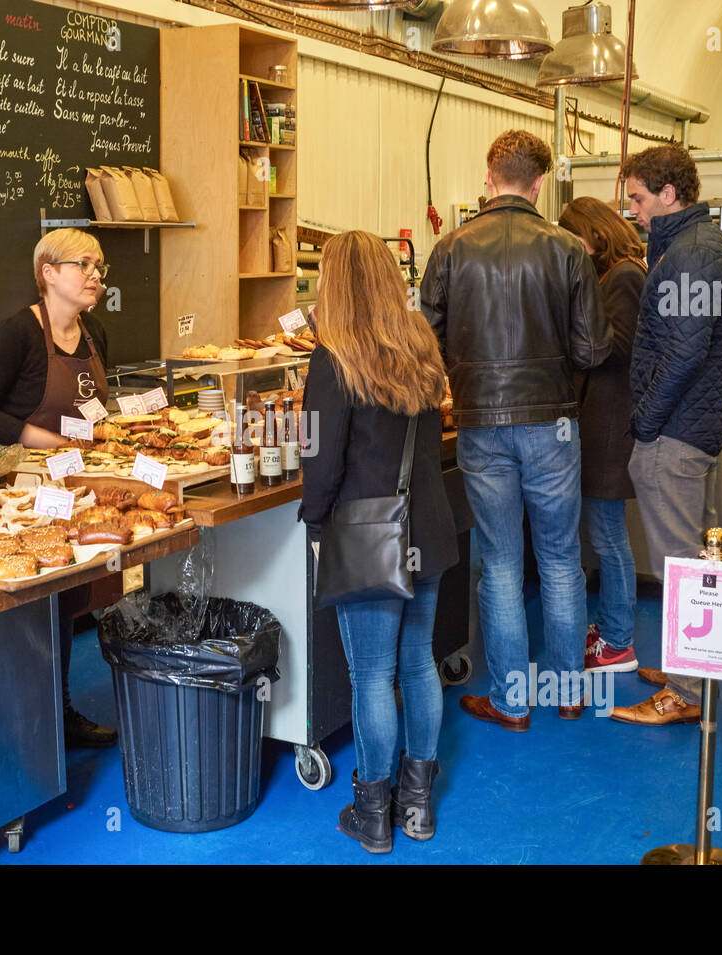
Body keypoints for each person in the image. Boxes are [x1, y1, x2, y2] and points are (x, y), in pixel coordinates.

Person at [420, 129, 610, 732]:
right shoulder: (569, 249)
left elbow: (424, 339)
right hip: (553, 421)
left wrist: (462, 373)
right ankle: (569, 691)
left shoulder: (451, 248)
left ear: (488, 176)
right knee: (559, 559)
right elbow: (593, 348)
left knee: (499, 563)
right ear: (539, 182)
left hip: (479, 423)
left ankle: (510, 701)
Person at [300, 230, 457, 854]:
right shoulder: (420, 345)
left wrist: (315, 523)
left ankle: (372, 810)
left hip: (368, 535)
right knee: (419, 663)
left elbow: (321, 461)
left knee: (373, 674)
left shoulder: (333, 358)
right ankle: (416, 805)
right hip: (430, 529)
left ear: (332, 286)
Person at [0, 228, 118, 749]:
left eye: (99, 266)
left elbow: (97, 408)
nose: (95, 275)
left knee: (70, 595)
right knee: (33, 597)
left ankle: (58, 711)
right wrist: (41, 438)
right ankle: (25, 721)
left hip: (80, 482)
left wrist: (108, 433)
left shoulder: (95, 336)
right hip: (27, 490)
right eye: (84, 265)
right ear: (48, 272)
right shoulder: (18, 334)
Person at [609, 145, 722, 727]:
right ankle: (687, 667)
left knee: (681, 563)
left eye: (638, 198)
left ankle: (686, 693)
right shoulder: (700, 246)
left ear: (669, 194)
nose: (633, 211)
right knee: (689, 556)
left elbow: (685, 352)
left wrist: (646, 421)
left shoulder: (691, 254)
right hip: (692, 426)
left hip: (676, 432)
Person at [557, 197, 647, 674]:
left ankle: (617, 643)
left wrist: (574, 333)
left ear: (593, 234)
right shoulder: (615, 276)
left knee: (609, 538)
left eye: (573, 237)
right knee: (605, 536)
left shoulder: (625, 277)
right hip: (605, 423)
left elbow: (618, 348)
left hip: (612, 427)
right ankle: (613, 628)